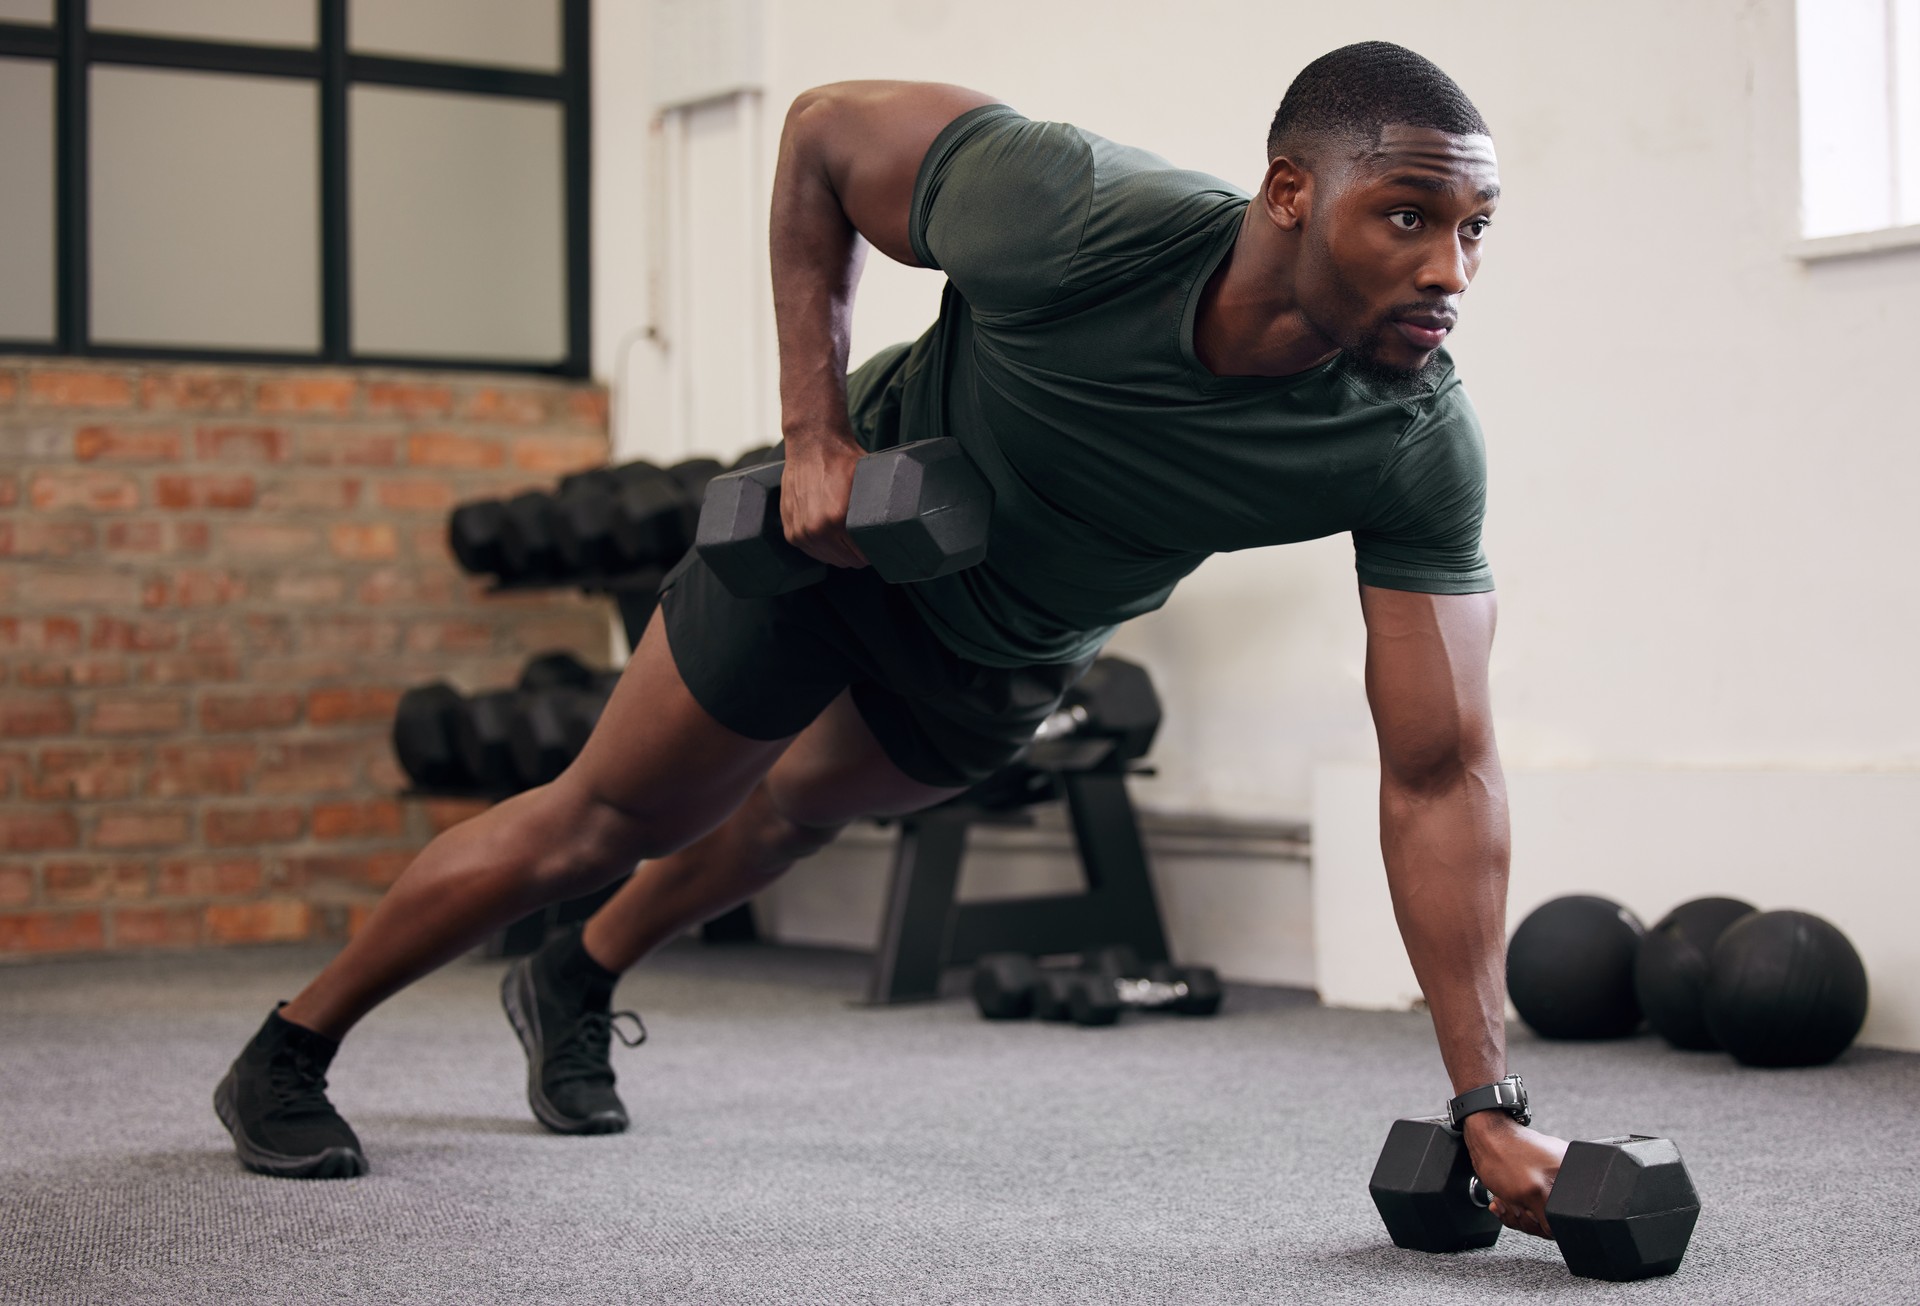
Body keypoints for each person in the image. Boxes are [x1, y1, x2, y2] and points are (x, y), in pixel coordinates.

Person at [215, 39, 1568, 1239]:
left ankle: (575, 975)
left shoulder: (1409, 440)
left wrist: (1484, 1099)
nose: (1449, 270)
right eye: (1407, 216)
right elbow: (817, 132)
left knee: (792, 811)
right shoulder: (1075, 212)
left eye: (1478, 229)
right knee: (605, 818)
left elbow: (1439, 770)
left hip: (1010, 649)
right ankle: (290, 1049)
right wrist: (813, 432)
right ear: (1290, 193)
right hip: (837, 550)